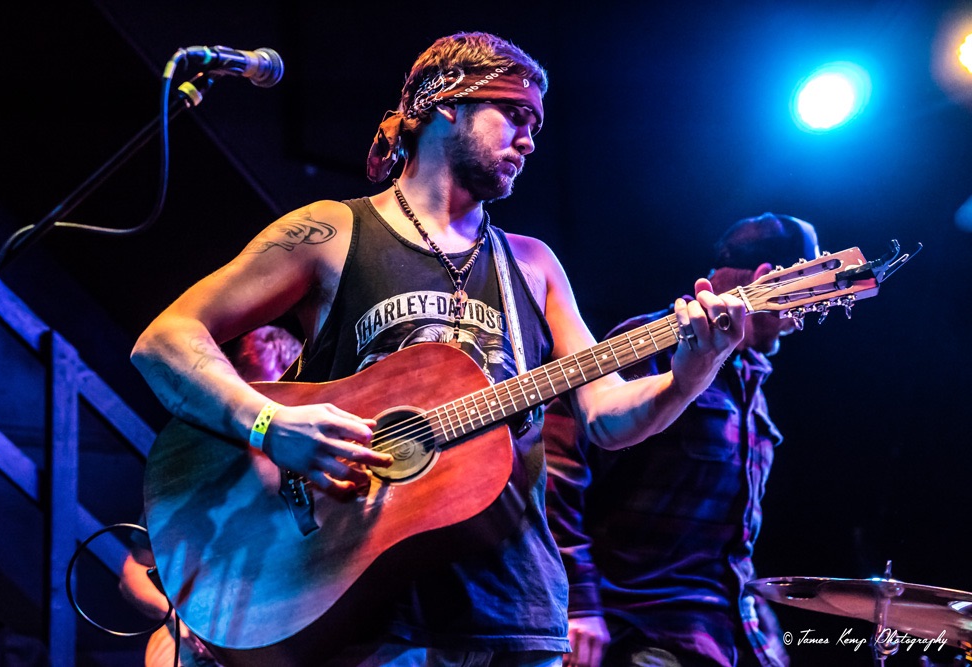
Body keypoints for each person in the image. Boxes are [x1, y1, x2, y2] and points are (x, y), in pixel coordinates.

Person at [130, 31, 746, 667]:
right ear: (446, 104)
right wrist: (269, 422)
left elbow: (606, 417)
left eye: (536, 122)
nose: (531, 140)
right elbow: (165, 341)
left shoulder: (533, 266)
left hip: (515, 613)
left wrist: (690, 373)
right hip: (367, 612)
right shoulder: (332, 233)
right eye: (515, 115)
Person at [544, 213, 822, 667]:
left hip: (716, 632)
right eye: (805, 295)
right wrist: (578, 600)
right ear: (770, 278)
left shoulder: (752, 380)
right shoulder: (653, 343)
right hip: (634, 628)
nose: (800, 319)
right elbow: (555, 468)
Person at [120, 326, 302, 667]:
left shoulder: (312, 469)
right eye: (254, 397)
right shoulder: (197, 471)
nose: (263, 416)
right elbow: (135, 571)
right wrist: (179, 621)